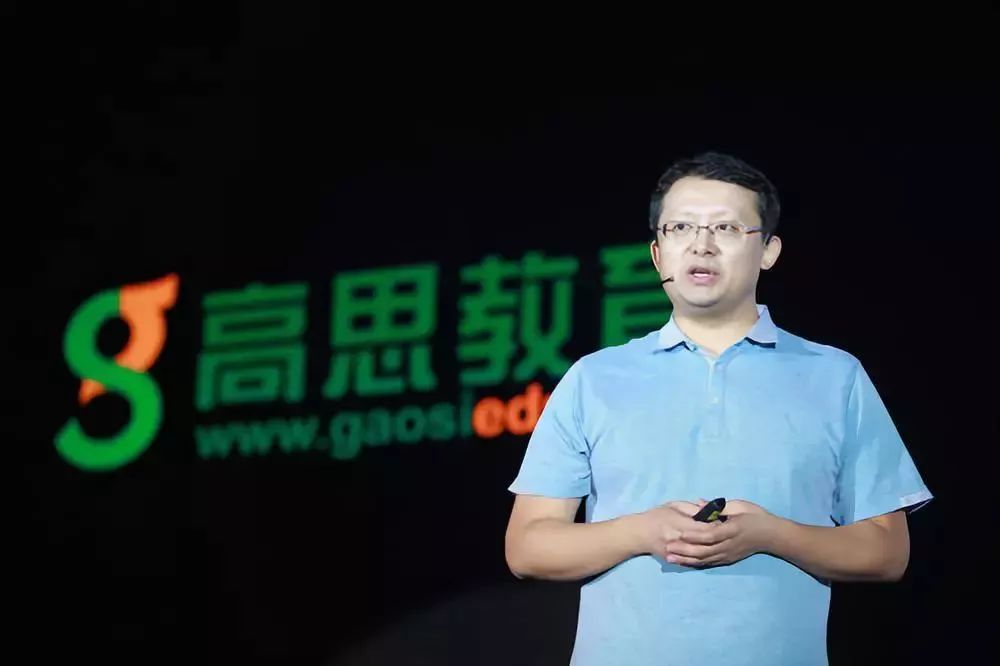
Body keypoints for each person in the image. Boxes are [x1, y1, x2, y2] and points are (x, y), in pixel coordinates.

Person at [503, 151, 933, 665]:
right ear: (658, 253)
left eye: (726, 228)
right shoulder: (594, 378)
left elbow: (887, 552)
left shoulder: (834, 376)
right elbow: (528, 546)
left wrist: (771, 535)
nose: (701, 245)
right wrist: (642, 531)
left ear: (768, 250)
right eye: (681, 227)